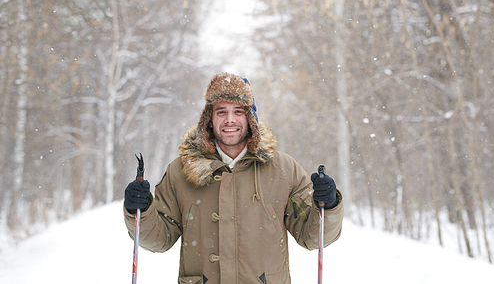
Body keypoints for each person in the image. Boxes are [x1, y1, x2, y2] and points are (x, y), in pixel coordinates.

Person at [124, 72, 344, 284]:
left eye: (238, 111)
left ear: (250, 118)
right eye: (221, 112)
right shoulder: (181, 172)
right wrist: (140, 212)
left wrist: (328, 204)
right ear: (209, 119)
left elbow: (313, 237)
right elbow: (158, 239)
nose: (230, 120)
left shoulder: (283, 169)